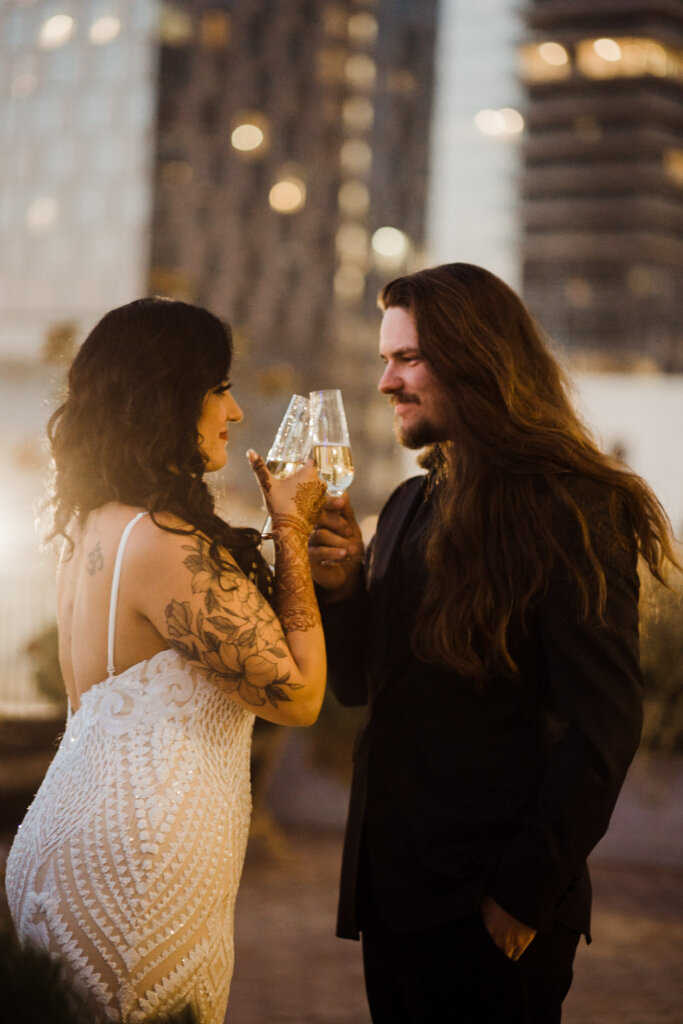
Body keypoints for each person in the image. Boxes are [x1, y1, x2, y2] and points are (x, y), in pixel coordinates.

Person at [309, 263, 678, 1023]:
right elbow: (361, 688)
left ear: (476, 360)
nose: (385, 382)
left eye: (406, 358)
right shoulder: (410, 501)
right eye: (385, 360)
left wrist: (519, 895)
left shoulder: (572, 505)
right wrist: (345, 586)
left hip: (492, 900)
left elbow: (603, 724)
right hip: (394, 890)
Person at [5, 297, 327, 1024]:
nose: (236, 412)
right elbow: (301, 695)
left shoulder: (92, 526)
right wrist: (292, 535)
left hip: (73, 834)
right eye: (219, 387)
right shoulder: (159, 542)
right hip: (138, 860)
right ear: (166, 396)